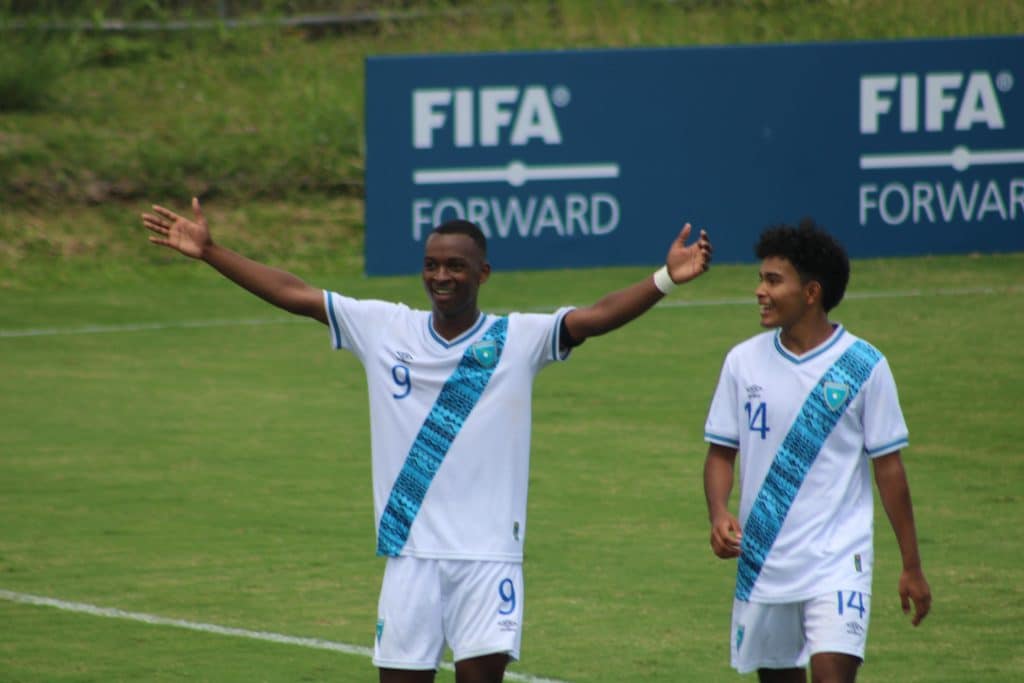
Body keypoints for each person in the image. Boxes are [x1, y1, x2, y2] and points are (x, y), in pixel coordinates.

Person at [142, 198, 712, 683]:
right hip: (410, 558)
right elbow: (295, 294)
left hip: (489, 557)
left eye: (457, 267)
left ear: (483, 273)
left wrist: (664, 279)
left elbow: (594, 317)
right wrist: (213, 252)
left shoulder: (517, 339)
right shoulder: (384, 328)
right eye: (432, 265)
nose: (442, 277)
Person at [702, 219, 931, 683]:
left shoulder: (864, 365)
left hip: (838, 559)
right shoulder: (742, 362)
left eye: (773, 280)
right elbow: (721, 453)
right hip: (765, 559)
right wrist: (718, 511)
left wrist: (912, 565)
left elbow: (889, 470)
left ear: (811, 292)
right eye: (760, 278)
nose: (759, 291)